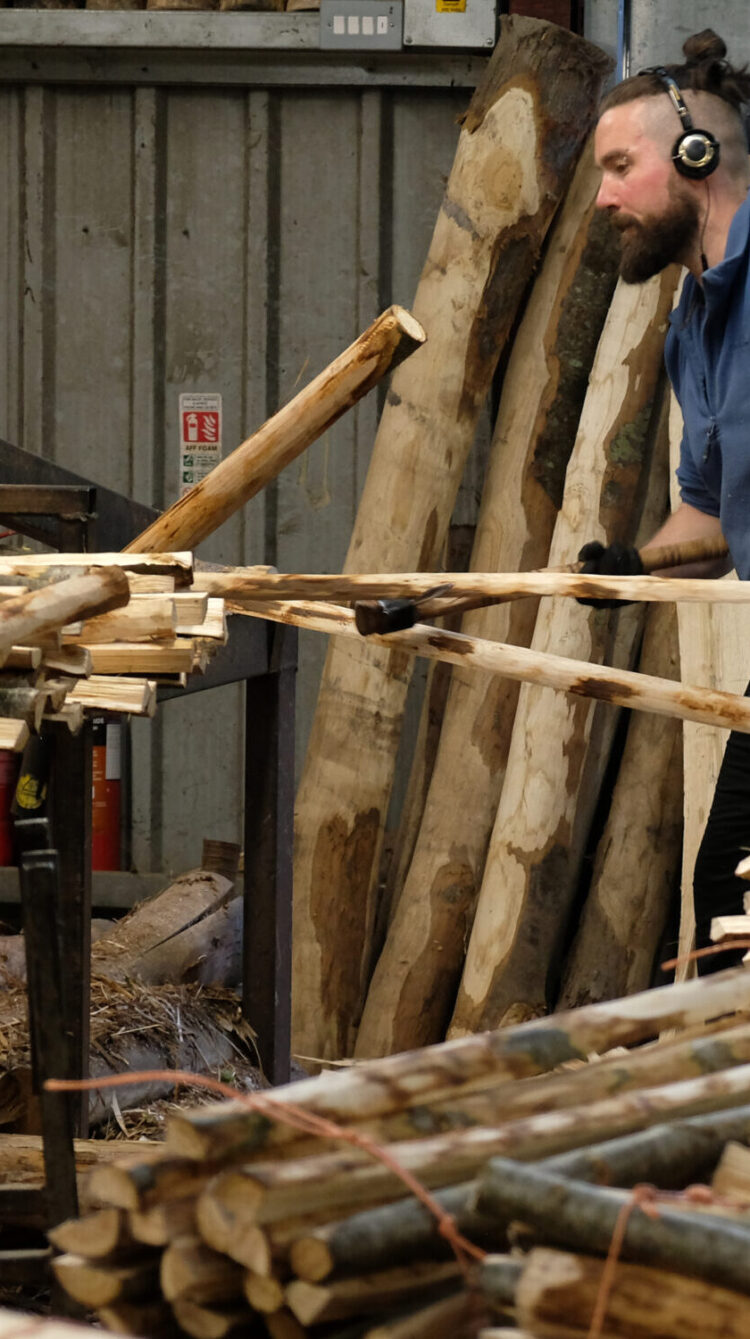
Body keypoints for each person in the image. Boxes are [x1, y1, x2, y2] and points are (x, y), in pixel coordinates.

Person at [579, 29, 750, 973]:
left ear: (696, 155)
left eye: (618, 165)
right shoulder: (693, 324)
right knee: (727, 904)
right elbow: (720, 521)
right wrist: (632, 565)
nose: (602, 195)